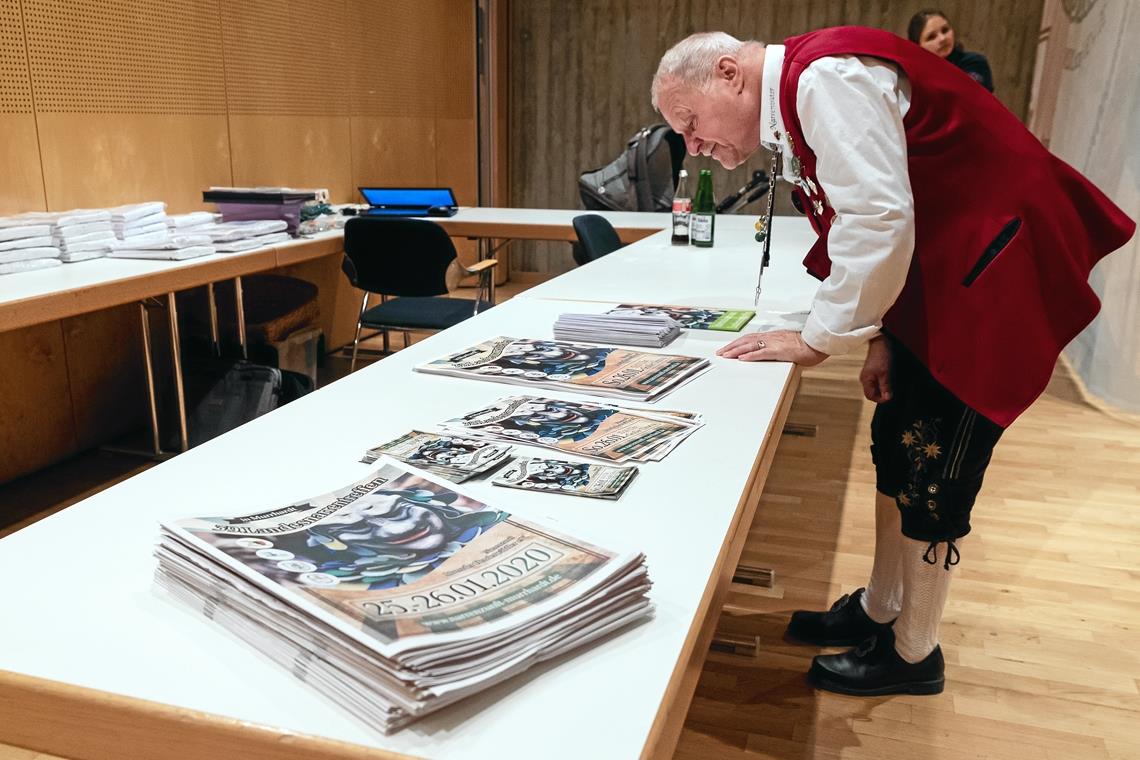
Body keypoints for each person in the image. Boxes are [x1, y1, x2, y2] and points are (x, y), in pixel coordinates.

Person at [650, 28, 1134, 697]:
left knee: (936, 465)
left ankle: (915, 652)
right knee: (896, 443)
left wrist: (819, 338)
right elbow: (866, 209)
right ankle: (882, 608)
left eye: (690, 123)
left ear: (729, 74)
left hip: (990, 275)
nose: (694, 146)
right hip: (941, 276)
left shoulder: (825, 80)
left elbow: (876, 217)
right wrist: (877, 335)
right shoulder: (802, 91)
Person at [908, 8, 994, 92]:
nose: (942, 38)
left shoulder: (974, 62)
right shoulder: (912, 76)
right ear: (918, 46)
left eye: (945, 30)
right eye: (931, 37)